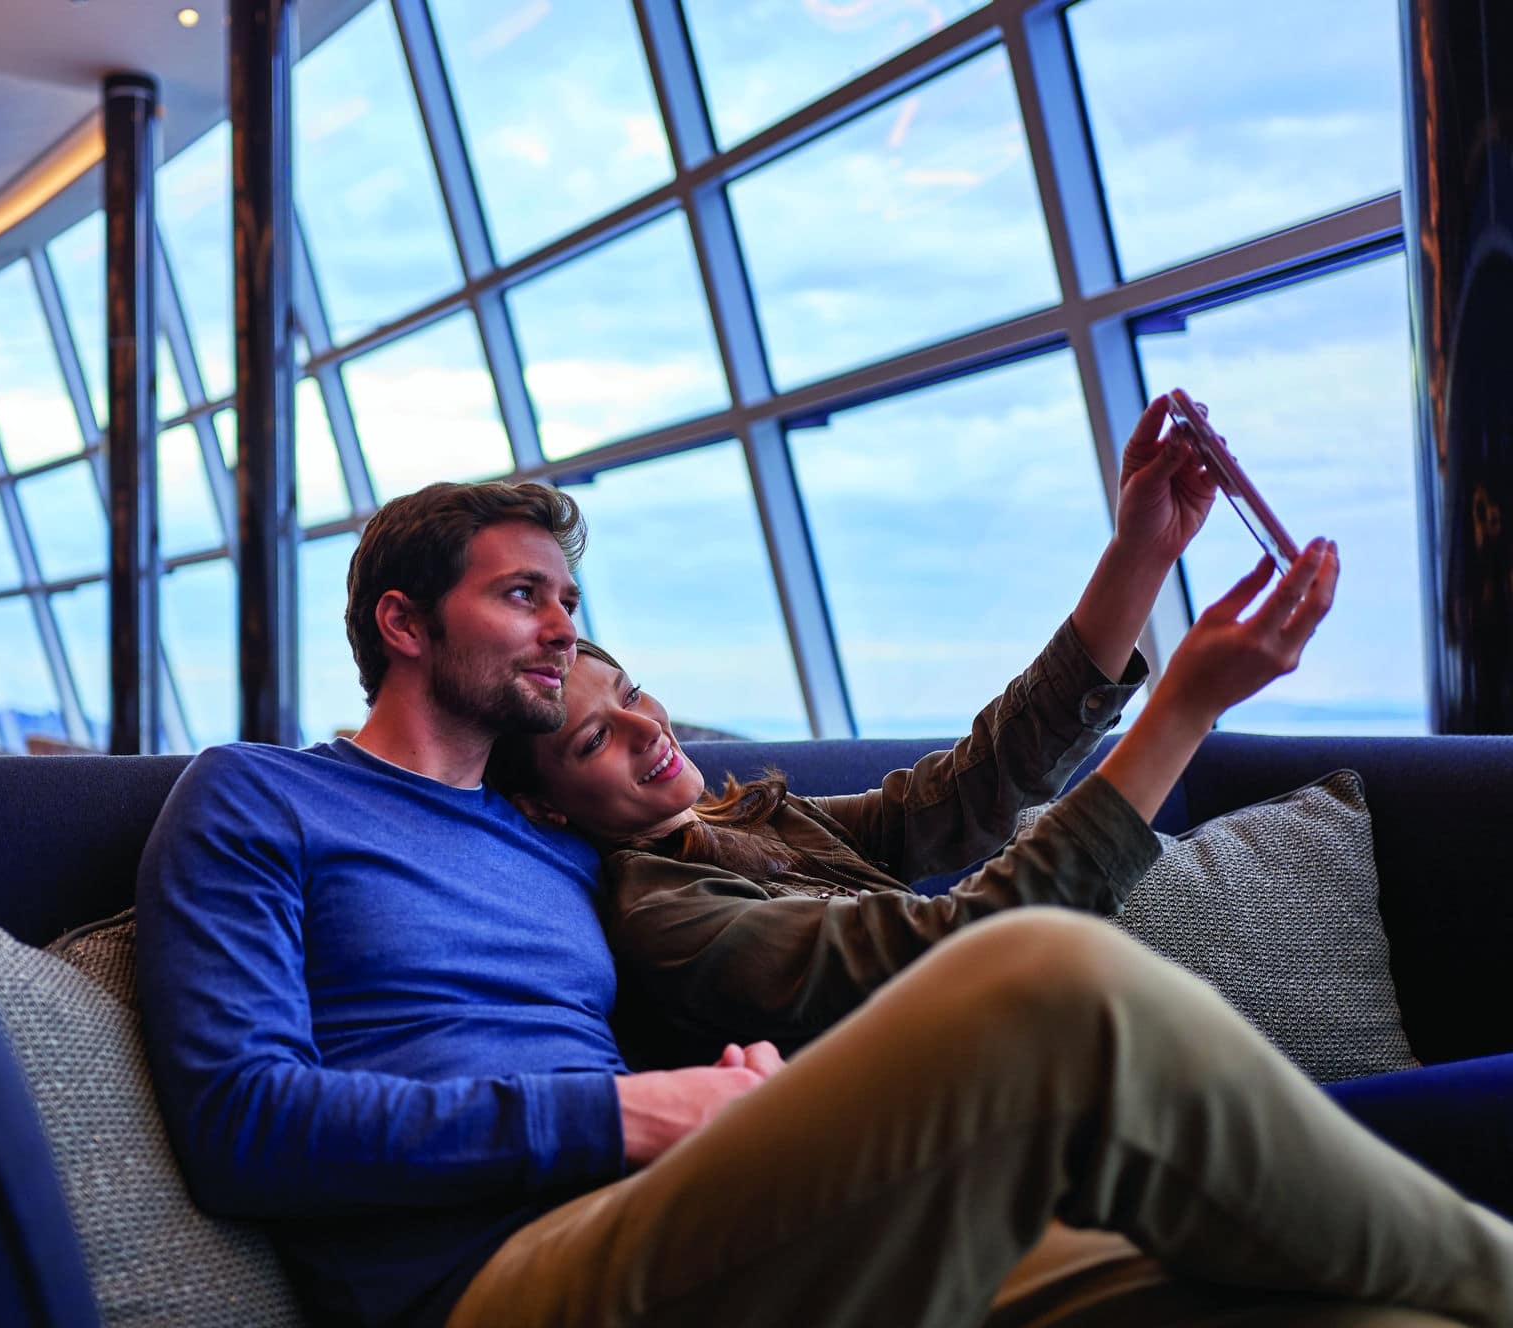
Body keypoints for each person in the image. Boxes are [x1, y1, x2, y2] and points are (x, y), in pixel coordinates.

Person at [136, 403, 1513, 1328]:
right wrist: (629, 1112)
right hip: (483, 1278)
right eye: (520, 596)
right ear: (404, 624)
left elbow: (949, 807)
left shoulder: (566, 842)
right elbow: (245, 1127)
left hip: (699, 1205)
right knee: (1048, 975)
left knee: (1310, 1306)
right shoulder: (260, 799)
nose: (561, 629)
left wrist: (1143, 554)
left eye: (571, 599)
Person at [480, 395, 1327, 1060]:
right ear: (549, 808)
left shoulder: (735, 821)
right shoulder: (671, 925)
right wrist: (1185, 709)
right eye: (594, 740)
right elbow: (971, 944)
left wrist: (1139, 551)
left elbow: (970, 790)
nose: (646, 729)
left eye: (633, 693)